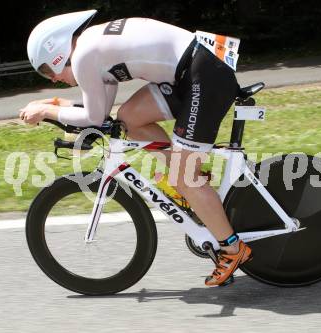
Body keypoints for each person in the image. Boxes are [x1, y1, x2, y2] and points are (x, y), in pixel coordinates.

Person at [20, 10, 252, 286]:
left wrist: (46, 110)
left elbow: (93, 118)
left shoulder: (83, 58)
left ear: (55, 52)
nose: (52, 79)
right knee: (130, 118)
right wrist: (57, 107)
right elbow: (102, 113)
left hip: (203, 74)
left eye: (47, 70)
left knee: (183, 177)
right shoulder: (90, 49)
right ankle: (192, 181)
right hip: (195, 68)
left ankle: (232, 249)